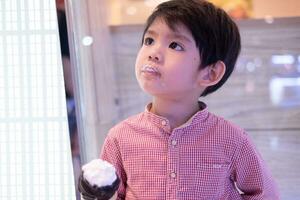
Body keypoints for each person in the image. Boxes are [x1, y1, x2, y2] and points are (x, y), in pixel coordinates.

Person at [100, 0, 280, 199]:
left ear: (210, 73)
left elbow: (265, 194)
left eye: (175, 45)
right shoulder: (120, 137)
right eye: (149, 40)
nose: (153, 53)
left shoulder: (231, 139)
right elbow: (103, 194)